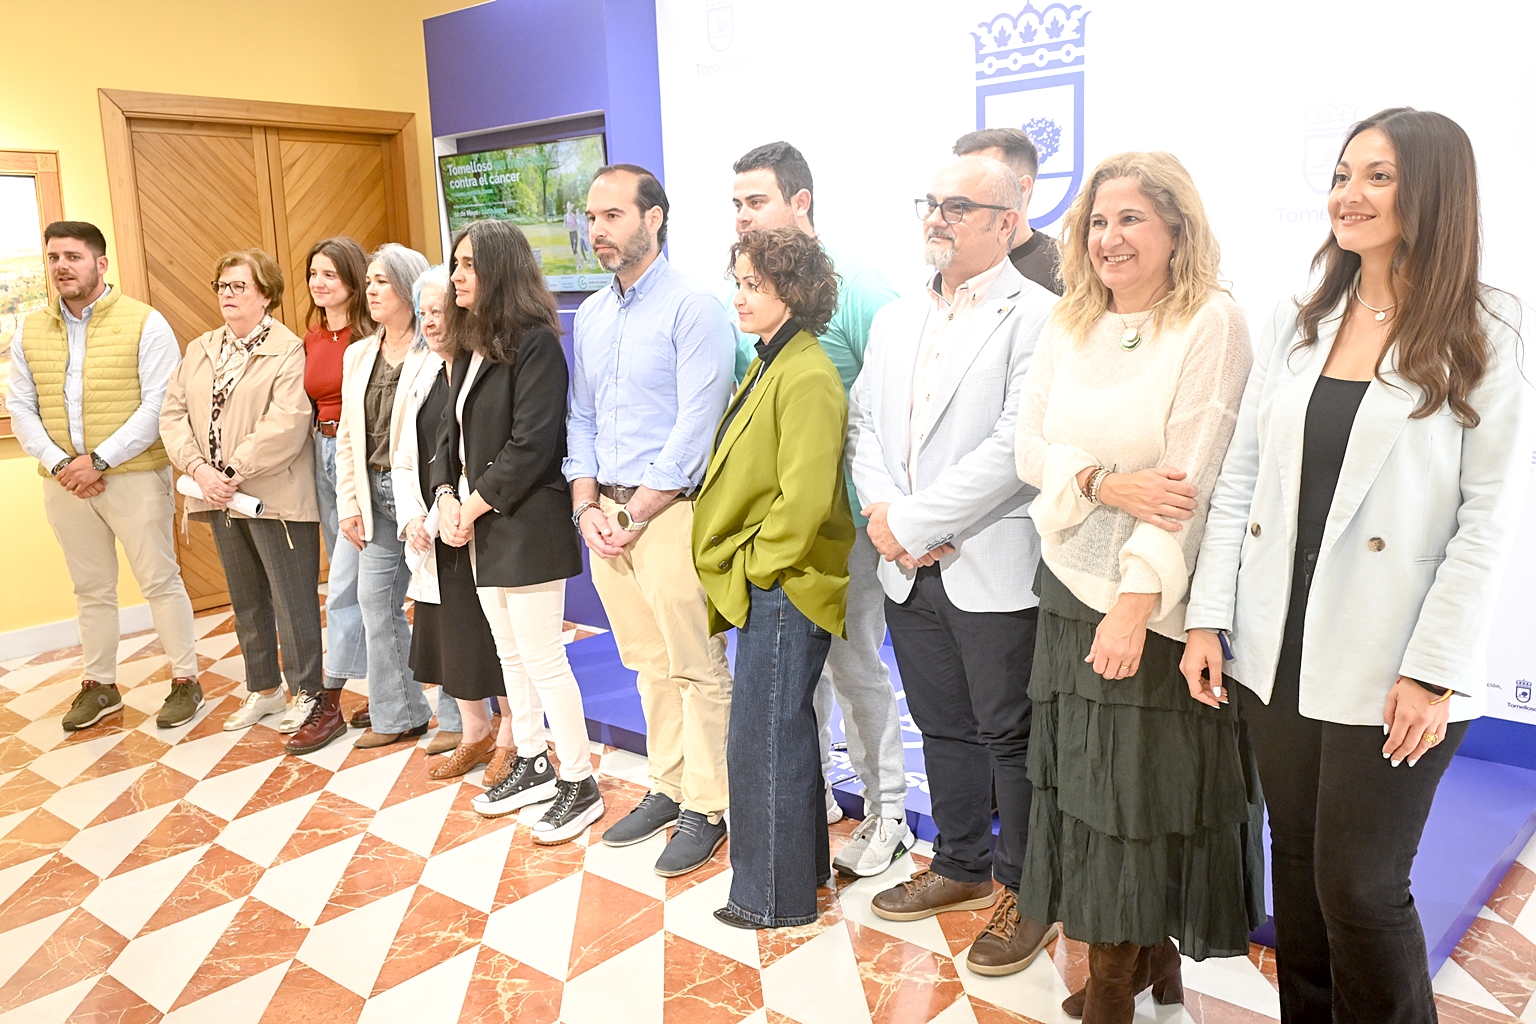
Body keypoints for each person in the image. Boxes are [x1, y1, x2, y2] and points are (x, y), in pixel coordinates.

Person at [1184, 108, 1533, 1024]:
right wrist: (1207, 616)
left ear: (1433, 192)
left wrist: (1432, 670)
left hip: (1394, 658)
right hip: (1279, 644)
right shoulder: (1302, 318)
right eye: (1342, 174)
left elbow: (1488, 518)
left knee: (1362, 888)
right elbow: (1243, 482)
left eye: (1377, 176)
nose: (1349, 194)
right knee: (1294, 873)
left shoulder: (1489, 324)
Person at [1013, 151, 1261, 1022]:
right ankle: (1150, 964)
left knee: (1136, 801)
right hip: (1065, 587)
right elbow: (1029, 450)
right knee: (1085, 798)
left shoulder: (1211, 323)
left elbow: (1188, 483)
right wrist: (1103, 483)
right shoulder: (1069, 320)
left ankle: (1115, 988)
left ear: (1177, 229)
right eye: (1097, 221)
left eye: (1131, 219)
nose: (1109, 238)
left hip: (1150, 609)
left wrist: (1132, 606)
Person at [846, 156, 1056, 975]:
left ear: (1007, 222)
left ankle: (1025, 890)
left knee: (1011, 736)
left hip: (989, 559)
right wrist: (887, 520)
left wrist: (917, 519)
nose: (937, 217)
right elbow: (864, 424)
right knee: (942, 724)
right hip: (908, 562)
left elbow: (1016, 448)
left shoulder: (1038, 316)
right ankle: (963, 866)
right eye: (931, 203)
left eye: (958, 206)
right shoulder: (899, 317)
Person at [729, 141, 911, 875]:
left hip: (850, 527)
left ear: (800, 202)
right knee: (805, 675)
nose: (743, 216)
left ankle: (889, 810)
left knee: (853, 665)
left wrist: (883, 513)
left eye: (756, 201)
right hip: (784, 531)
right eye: (736, 204)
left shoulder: (863, 291)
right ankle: (824, 793)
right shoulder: (753, 296)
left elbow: (894, 416)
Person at [567, 165, 736, 875]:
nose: (597, 231)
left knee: (696, 666)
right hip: (605, 513)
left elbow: (697, 428)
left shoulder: (694, 306)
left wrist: (633, 512)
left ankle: (709, 806)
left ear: (654, 218)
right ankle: (666, 786)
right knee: (645, 663)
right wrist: (585, 507)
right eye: (591, 218)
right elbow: (581, 416)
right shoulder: (595, 313)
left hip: (670, 512)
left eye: (612, 216)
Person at [696, 227, 854, 928]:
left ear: (793, 291)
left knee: (762, 738)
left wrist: (757, 566)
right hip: (775, 580)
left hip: (786, 583)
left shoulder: (808, 372)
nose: (739, 297)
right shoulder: (774, 361)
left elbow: (805, 499)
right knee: (778, 733)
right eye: (738, 282)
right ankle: (800, 876)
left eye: (754, 284)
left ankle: (769, 898)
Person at [438, 219, 602, 844]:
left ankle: (578, 779)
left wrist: (471, 509)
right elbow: (455, 441)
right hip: (483, 524)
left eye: (468, 265)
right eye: (455, 264)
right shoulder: (472, 345)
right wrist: (451, 498)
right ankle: (532, 760)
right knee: (510, 654)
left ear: (500, 270)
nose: (457, 276)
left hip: (526, 525)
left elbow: (532, 445)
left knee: (543, 656)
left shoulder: (535, 343)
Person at [8, 221, 203, 731]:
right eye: (53, 258)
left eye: (73, 256)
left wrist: (96, 461)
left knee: (160, 580)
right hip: (64, 484)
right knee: (91, 588)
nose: (62, 266)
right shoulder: (29, 329)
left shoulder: (146, 323)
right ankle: (100, 686)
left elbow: (160, 403)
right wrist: (60, 465)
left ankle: (186, 680)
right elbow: (21, 407)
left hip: (133, 475)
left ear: (101, 263)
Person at [160, 249, 324, 731]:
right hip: (215, 495)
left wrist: (231, 471)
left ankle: (307, 692)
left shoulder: (289, 350)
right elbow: (171, 414)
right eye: (222, 286)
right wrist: (198, 469)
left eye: (239, 287)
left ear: (267, 295)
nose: (227, 296)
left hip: (273, 495)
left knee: (291, 598)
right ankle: (264, 689)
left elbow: (288, 421)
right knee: (246, 599)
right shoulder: (201, 348)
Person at [330, 243, 463, 751]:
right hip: (374, 491)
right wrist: (349, 505)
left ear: (409, 287)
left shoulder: (435, 351)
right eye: (368, 282)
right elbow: (346, 437)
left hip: (428, 495)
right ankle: (399, 711)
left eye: (382, 281)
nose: (371, 290)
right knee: (373, 601)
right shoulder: (358, 354)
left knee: (443, 605)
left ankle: (457, 718)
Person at [394, 266, 509, 781]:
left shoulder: (483, 365)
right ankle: (474, 733)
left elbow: (490, 452)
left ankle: (511, 737)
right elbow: (403, 454)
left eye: (440, 311)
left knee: (494, 637)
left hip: (477, 523)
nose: (431, 323)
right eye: (424, 313)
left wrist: (457, 509)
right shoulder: (419, 369)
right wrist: (416, 515)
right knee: (453, 637)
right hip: (435, 526)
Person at [295, 236, 375, 736]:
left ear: (353, 280)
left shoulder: (370, 338)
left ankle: (330, 696)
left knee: (346, 585)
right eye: (313, 274)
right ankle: (396, 682)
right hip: (320, 454)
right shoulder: (310, 338)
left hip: (361, 459)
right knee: (357, 584)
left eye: (330, 274)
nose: (319, 283)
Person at [954, 128, 1062, 295]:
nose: (960, 192)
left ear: (1021, 187)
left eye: (979, 177)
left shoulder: (1068, 269)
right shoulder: (954, 264)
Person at [565, 202, 581, 268]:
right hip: (570, 233)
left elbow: (577, 224)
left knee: (574, 249)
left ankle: (579, 264)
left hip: (574, 233)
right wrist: (565, 225)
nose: (568, 207)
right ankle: (580, 263)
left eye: (569, 206)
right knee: (573, 250)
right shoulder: (565, 216)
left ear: (571, 207)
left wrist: (574, 225)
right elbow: (565, 223)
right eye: (567, 206)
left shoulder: (573, 215)